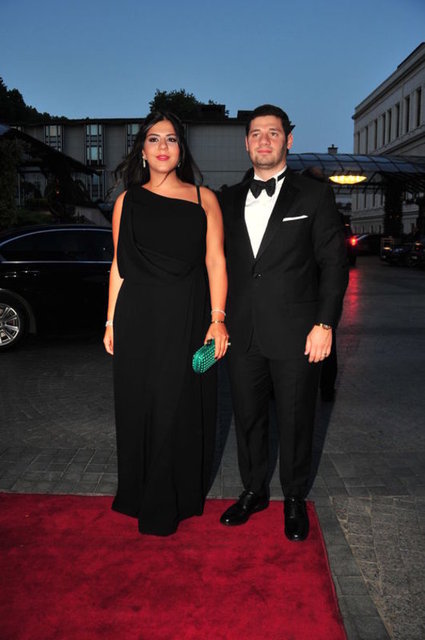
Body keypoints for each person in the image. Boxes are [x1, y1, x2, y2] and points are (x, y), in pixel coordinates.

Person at [218, 104, 348, 541]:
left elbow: (334, 264)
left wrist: (325, 324)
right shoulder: (227, 199)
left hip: (297, 334)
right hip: (243, 333)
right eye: (256, 133)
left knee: (296, 419)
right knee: (247, 417)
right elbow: (216, 264)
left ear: (288, 140)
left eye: (273, 133)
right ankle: (253, 490)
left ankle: (294, 497)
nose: (264, 141)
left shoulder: (313, 195)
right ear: (246, 143)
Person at [103, 110, 228, 536]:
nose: (162, 147)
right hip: (137, 319)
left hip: (189, 318)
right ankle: (141, 494)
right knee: (140, 404)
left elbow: (216, 262)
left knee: (181, 403)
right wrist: (110, 322)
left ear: (181, 150)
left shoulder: (204, 199)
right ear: (142, 150)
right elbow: (118, 266)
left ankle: (175, 496)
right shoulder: (126, 201)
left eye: (171, 139)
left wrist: (217, 319)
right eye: (154, 139)